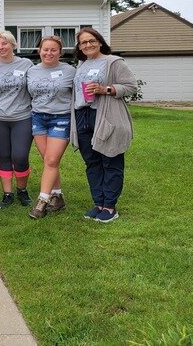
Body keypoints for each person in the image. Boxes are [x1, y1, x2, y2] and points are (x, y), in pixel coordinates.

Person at [70, 27, 137, 223]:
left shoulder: (113, 62)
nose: (88, 45)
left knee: (110, 159)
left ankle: (109, 206)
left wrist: (105, 89)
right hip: (82, 115)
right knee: (92, 162)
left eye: (92, 41)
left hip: (106, 116)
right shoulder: (81, 65)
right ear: (80, 47)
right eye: (84, 42)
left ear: (100, 42)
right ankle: (98, 203)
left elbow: (131, 86)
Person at [0, 30, 34, 209]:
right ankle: (7, 194)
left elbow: (34, 87)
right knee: (3, 156)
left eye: (4, 43)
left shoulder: (26, 64)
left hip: (22, 117)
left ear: (12, 44)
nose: (1, 47)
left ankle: (22, 190)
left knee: (20, 156)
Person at [25, 36, 76, 219]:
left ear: (60, 52)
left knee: (52, 160)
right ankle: (58, 196)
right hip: (38, 117)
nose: (49, 53)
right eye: (45, 49)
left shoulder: (70, 71)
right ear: (39, 51)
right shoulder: (31, 71)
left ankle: (42, 200)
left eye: (53, 50)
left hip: (61, 118)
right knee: (48, 160)